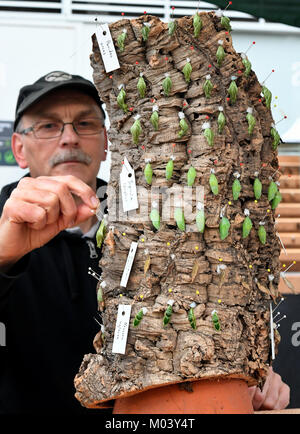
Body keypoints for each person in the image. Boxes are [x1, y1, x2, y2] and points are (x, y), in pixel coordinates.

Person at [0, 71, 290, 414]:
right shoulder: (5, 225)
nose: (69, 139)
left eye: (85, 123)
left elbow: (190, 318)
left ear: (108, 141)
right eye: (48, 126)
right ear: (19, 148)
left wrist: (246, 373)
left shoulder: (152, 220)